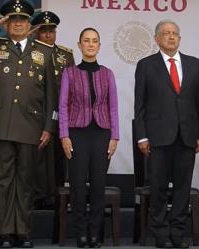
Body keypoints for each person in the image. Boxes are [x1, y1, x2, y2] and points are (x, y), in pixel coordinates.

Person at [0, 0, 57, 247]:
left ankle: (23, 231)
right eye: (13, 20)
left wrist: (48, 127)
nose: (18, 23)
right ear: (6, 24)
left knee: (25, 180)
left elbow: (52, 95)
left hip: (32, 126)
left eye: (22, 20)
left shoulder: (44, 51)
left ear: (28, 23)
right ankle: (5, 232)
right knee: (3, 180)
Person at [134, 20, 199, 248]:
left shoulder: (195, 64)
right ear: (157, 39)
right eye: (166, 33)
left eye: (175, 33)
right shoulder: (146, 65)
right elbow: (140, 104)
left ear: (180, 38)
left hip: (187, 136)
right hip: (157, 137)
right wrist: (142, 136)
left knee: (183, 189)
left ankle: (178, 233)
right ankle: (161, 234)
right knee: (158, 188)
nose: (171, 37)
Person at [59, 27, 119, 248]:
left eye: (95, 41)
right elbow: (63, 106)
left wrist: (115, 136)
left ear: (99, 46)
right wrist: (64, 135)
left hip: (102, 133)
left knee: (98, 185)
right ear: (80, 44)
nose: (91, 44)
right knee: (77, 185)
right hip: (76, 133)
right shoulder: (69, 73)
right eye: (86, 41)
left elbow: (113, 107)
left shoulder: (107, 73)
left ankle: (95, 233)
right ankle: (80, 233)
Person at [31, 10, 75, 206]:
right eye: (44, 31)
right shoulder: (29, 53)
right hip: (35, 114)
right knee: (37, 158)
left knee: (59, 158)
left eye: (52, 31)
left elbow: (73, 87)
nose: (48, 35)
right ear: (36, 32)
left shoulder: (65, 55)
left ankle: (57, 196)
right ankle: (38, 196)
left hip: (60, 114)